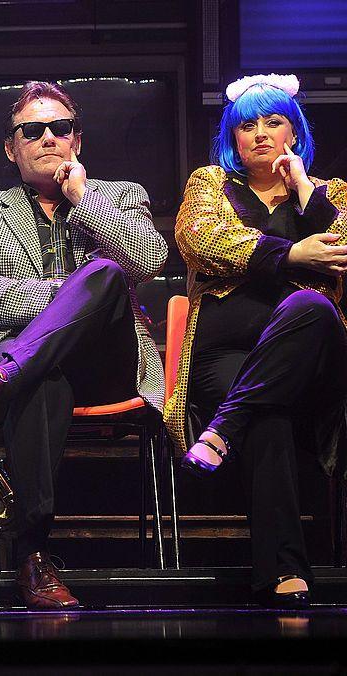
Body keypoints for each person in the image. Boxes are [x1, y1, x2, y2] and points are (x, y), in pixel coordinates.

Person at [0, 81, 167, 608]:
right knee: (43, 379)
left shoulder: (121, 197)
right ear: (10, 148)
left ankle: (9, 373)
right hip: (33, 370)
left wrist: (83, 202)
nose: (48, 138)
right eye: (32, 130)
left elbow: (146, 262)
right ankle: (34, 554)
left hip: (104, 361)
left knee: (106, 270)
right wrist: (72, 293)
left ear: (76, 142)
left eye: (60, 129)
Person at [165, 74, 347, 609]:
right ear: (232, 137)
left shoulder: (332, 192)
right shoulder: (209, 184)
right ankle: (284, 572)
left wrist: (304, 190)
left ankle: (224, 428)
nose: (261, 134)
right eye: (247, 124)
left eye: (274, 121)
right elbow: (201, 240)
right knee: (267, 413)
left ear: (296, 130)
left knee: (310, 305)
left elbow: (341, 249)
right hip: (224, 356)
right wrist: (292, 256)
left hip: (312, 359)